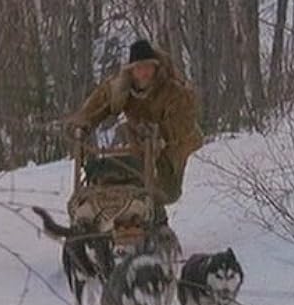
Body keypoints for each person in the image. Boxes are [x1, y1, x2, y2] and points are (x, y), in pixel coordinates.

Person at [66, 39, 203, 223]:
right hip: (140, 138)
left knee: (167, 191)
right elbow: (98, 105)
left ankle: (154, 217)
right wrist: (80, 126)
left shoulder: (173, 91)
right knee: (134, 176)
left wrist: (159, 134)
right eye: (139, 68)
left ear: (156, 68)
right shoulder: (121, 87)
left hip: (175, 142)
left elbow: (183, 125)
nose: (144, 73)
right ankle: (120, 213)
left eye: (148, 67)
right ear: (131, 70)